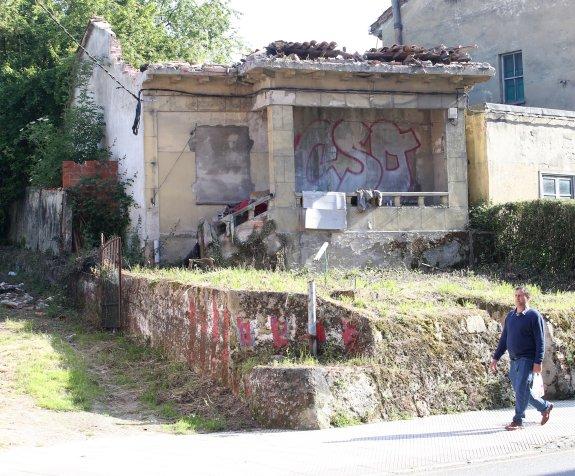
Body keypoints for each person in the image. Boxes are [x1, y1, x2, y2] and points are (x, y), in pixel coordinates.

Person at [490, 286, 553, 430]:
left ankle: (518, 421)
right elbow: (504, 339)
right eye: (516, 295)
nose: (518, 298)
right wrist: (496, 357)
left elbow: (540, 341)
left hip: (527, 359)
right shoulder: (510, 316)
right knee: (522, 391)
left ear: (527, 297)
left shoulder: (533, 315)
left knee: (520, 390)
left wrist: (538, 361)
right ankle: (545, 407)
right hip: (514, 360)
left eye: (520, 295)